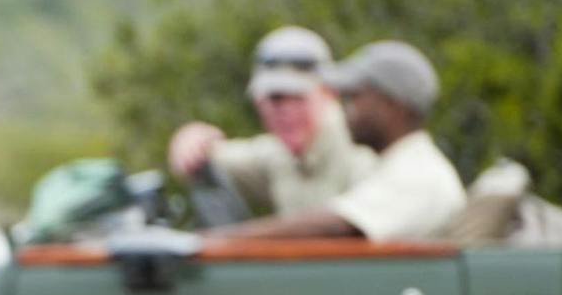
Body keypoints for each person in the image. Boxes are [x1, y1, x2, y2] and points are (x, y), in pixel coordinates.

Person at [205, 40, 466, 242]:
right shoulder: (389, 164)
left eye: (354, 97)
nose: (344, 110)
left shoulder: (420, 173)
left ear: (393, 106)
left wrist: (213, 243)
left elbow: (337, 225)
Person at [166, 26, 376, 218]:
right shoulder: (278, 155)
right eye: (274, 99)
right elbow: (203, 157)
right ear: (258, 103)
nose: (286, 111)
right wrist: (191, 137)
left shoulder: (362, 150)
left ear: (329, 93)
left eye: (298, 97)